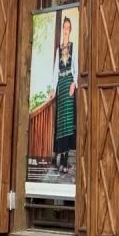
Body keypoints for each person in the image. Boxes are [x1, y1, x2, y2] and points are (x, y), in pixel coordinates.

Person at [51, 13, 78, 171]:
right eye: (64, 28)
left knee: (68, 121)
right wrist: (53, 89)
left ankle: (65, 160)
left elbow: (76, 66)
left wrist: (74, 83)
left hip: (69, 83)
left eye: (68, 28)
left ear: (71, 29)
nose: (66, 30)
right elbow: (55, 71)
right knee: (61, 122)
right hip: (61, 84)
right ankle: (60, 159)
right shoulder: (59, 49)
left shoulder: (73, 47)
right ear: (62, 29)